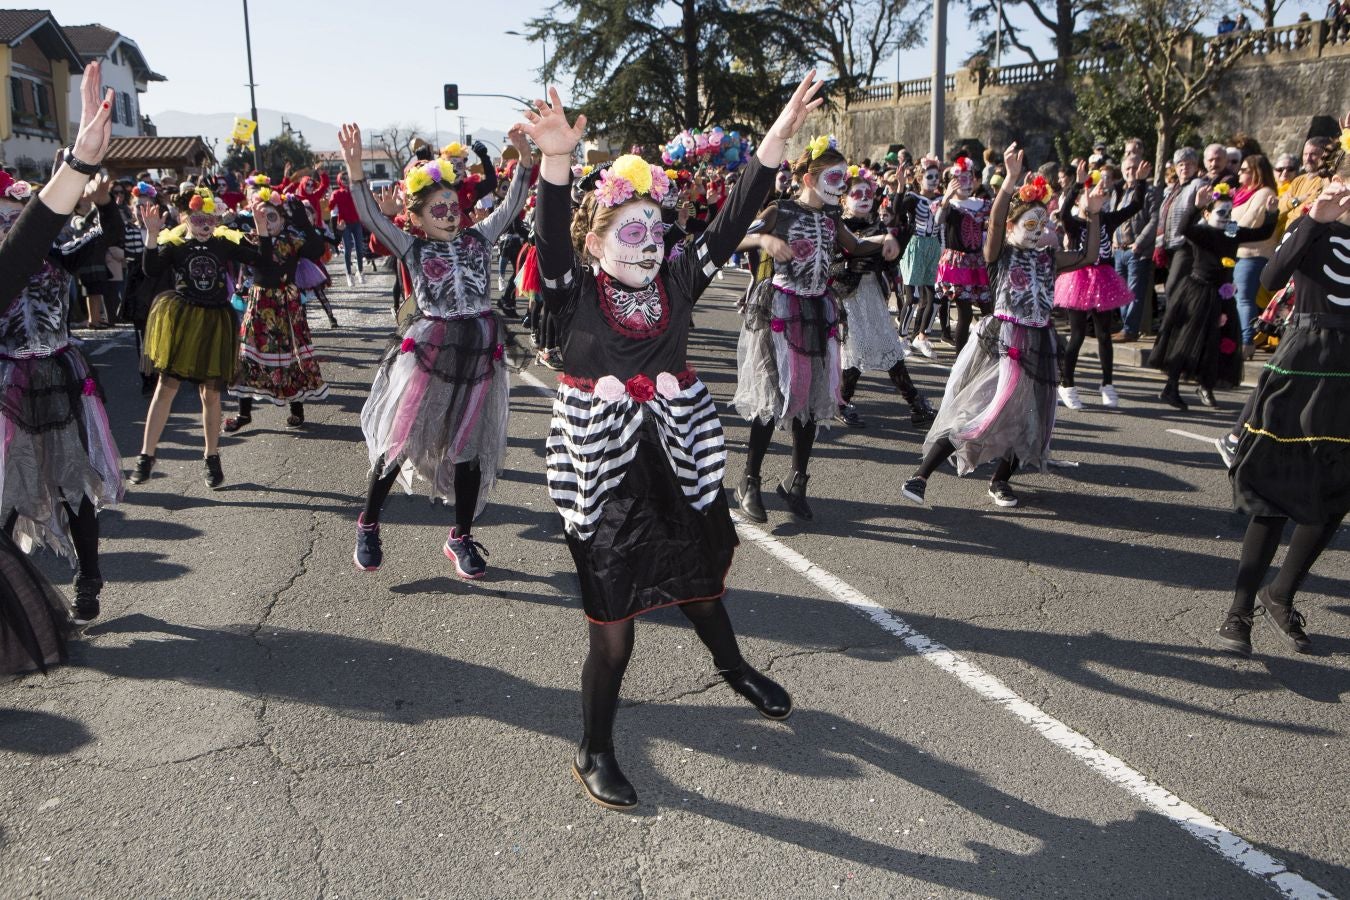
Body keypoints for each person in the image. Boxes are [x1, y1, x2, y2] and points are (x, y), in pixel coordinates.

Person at [522, 74, 820, 811]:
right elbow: (550, 243)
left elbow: (733, 218)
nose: (649, 245)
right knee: (613, 634)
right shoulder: (575, 291)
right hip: (603, 476)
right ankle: (594, 748)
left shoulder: (679, 277)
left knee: (701, 583)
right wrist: (557, 164)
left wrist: (777, 138)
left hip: (675, 461)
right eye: (631, 232)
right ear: (595, 242)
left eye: (655, 230)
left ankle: (734, 669)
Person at [338, 122, 534, 578]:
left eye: (452, 206)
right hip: (429, 352)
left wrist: (525, 162)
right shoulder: (411, 248)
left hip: (479, 351)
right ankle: (368, 524)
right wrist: (355, 174)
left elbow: (511, 205)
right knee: (400, 438)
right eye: (437, 209)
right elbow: (370, 218)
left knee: (468, 448)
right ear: (419, 218)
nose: (448, 214)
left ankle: (460, 537)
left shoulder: (479, 239)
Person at [901, 145, 1105, 510]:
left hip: (1038, 342)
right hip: (1001, 341)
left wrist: (1093, 216)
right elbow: (994, 223)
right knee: (976, 410)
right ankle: (921, 475)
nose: (1037, 231)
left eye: (1043, 225)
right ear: (1013, 226)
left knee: (1028, 418)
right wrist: (1009, 183)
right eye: (1030, 224)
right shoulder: (1001, 254)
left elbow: (1089, 257)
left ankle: (1001, 481)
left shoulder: (1047, 258)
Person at [0, 60, 115, 670]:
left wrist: (85, 174)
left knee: (75, 485)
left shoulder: (42, 251)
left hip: (55, 376)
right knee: (9, 492)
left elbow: (71, 240)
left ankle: (88, 579)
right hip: (8, 387)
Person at [1215, 173, 1350, 657]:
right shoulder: (1312, 223)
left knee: (1335, 496)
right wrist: (1316, 219)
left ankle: (1282, 594)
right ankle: (1240, 607)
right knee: (1274, 489)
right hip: (1303, 362)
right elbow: (1270, 279)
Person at [731, 135, 899, 523]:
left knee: (810, 394)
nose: (840, 184)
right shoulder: (781, 211)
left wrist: (885, 237)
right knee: (775, 395)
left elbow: (855, 246)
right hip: (782, 310)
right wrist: (764, 239)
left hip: (818, 309)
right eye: (833, 176)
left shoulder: (830, 218)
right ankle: (749, 480)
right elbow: (735, 238)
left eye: (842, 177)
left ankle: (797, 481)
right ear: (809, 178)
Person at [133, 187, 265, 489]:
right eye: (197, 219)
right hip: (184, 319)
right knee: (166, 387)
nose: (204, 225)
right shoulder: (176, 245)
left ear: (216, 220)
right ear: (184, 218)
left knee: (211, 394)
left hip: (215, 321)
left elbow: (260, 258)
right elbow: (150, 268)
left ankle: (211, 457)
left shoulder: (222, 243)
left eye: (209, 219)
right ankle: (146, 456)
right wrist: (152, 235)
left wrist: (260, 230)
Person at [1150, 183, 1278, 410]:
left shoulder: (1231, 231)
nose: (1225, 217)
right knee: (1187, 340)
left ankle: (1206, 386)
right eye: (1220, 212)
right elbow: (1184, 228)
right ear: (1207, 214)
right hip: (1198, 292)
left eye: (1228, 212)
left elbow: (1262, 233)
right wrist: (1195, 207)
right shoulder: (1202, 233)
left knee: (1218, 343)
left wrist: (1270, 213)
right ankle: (1171, 387)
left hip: (1222, 294)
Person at [833, 167, 937, 430]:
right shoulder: (836, 224)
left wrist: (900, 189)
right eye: (857, 193)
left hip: (872, 295)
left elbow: (894, 224)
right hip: (846, 298)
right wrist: (845, 268)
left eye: (868, 193)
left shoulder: (876, 225)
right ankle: (841, 402)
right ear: (843, 199)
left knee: (890, 348)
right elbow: (831, 262)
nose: (864, 197)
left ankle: (915, 404)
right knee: (854, 351)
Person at [224, 190, 330, 432]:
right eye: (261, 216)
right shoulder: (250, 239)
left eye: (272, 217)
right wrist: (224, 222)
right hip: (259, 304)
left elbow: (315, 250)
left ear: (282, 220)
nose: (267, 222)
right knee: (248, 355)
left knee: (292, 356)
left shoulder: (292, 239)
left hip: (286, 303)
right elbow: (255, 259)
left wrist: (304, 222)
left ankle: (296, 408)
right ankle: (244, 413)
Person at [1054, 160, 1151, 408]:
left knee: (1104, 335)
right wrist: (1077, 185)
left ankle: (1107, 384)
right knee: (1076, 336)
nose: (1097, 196)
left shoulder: (1107, 220)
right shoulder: (1074, 224)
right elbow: (1063, 213)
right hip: (1078, 280)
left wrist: (1140, 181)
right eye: (1091, 193)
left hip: (1104, 280)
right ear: (1079, 200)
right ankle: (1067, 384)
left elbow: (1137, 205)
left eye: (1100, 192)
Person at [934, 155, 991, 352]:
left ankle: (986, 353)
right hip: (957, 264)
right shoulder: (949, 206)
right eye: (960, 179)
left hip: (978, 262)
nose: (966, 183)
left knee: (988, 310)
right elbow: (938, 220)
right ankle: (960, 360)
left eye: (969, 177)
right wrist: (946, 198)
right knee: (965, 314)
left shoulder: (982, 204)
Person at [1232, 154, 1279, 358]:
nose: (1240, 173)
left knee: (1244, 299)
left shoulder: (1264, 193)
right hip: (1239, 253)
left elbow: (1247, 223)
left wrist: (1225, 226)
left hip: (1254, 254)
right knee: (1237, 299)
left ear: (1257, 172)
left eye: (1245, 170)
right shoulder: (1243, 194)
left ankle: (1246, 342)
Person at [897, 157, 944, 358]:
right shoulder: (913, 198)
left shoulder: (941, 199)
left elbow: (943, 225)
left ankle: (921, 335)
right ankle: (902, 337)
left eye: (937, 176)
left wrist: (943, 250)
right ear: (919, 178)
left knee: (934, 299)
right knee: (913, 297)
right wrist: (900, 186)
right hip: (915, 246)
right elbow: (897, 211)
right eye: (929, 176)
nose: (934, 180)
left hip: (934, 247)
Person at [329, 173, 367, 286]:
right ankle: (349, 275)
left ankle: (360, 272)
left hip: (356, 222)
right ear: (339, 180)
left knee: (360, 249)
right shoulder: (336, 193)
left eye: (347, 178)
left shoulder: (355, 191)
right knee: (348, 249)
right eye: (343, 178)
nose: (345, 180)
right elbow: (330, 207)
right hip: (344, 223)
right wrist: (330, 199)